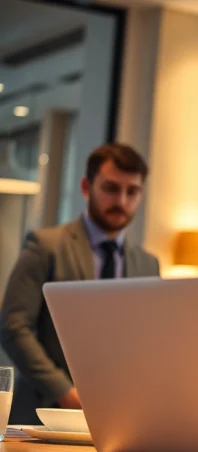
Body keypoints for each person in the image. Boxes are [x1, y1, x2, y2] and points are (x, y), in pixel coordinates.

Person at [1, 143, 160, 424]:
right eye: (111, 188)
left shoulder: (148, 263)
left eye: (132, 191)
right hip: (46, 411)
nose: (121, 201)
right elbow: (13, 326)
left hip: (119, 417)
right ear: (86, 187)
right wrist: (64, 392)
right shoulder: (46, 246)